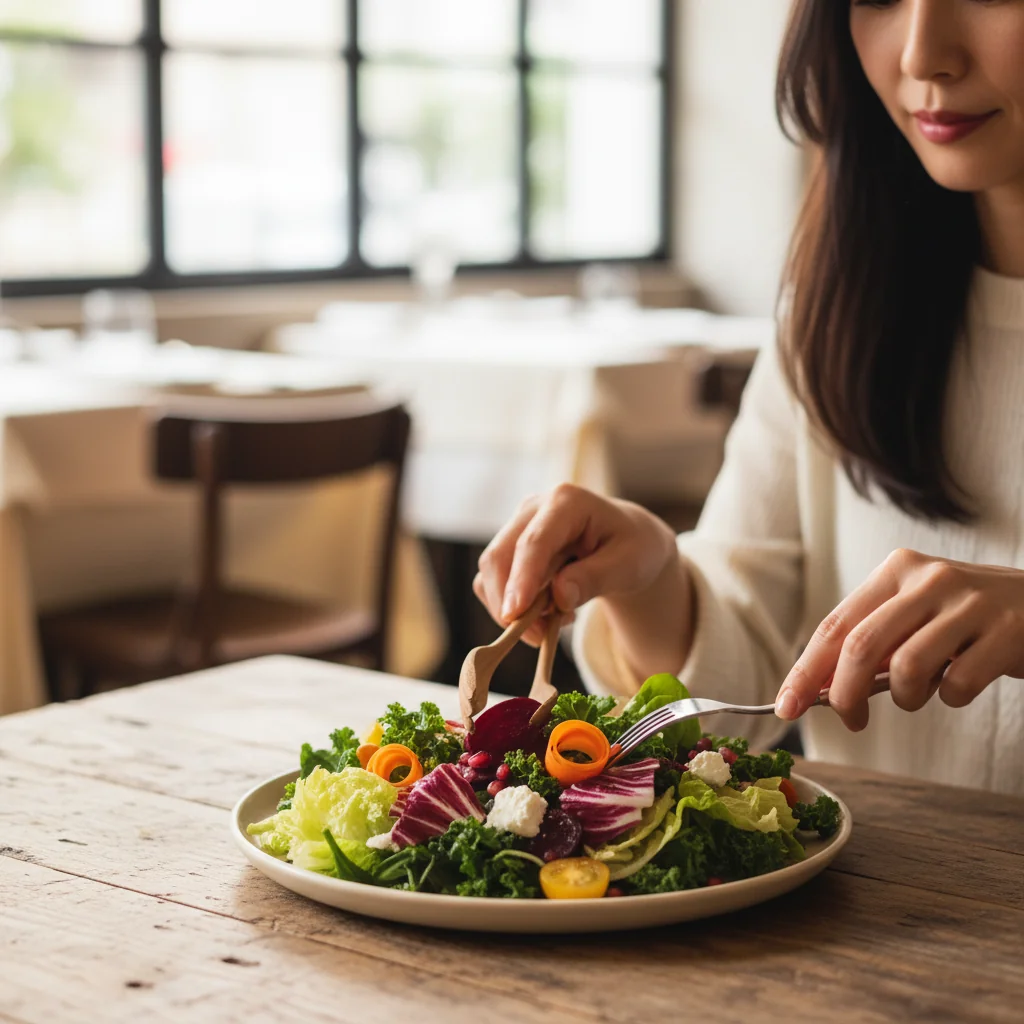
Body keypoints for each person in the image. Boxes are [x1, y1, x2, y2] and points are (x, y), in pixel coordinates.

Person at [473, 0, 1024, 797]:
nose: (922, 53)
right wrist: (651, 574)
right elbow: (741, 702)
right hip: (891, 908)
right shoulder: (838, 310)